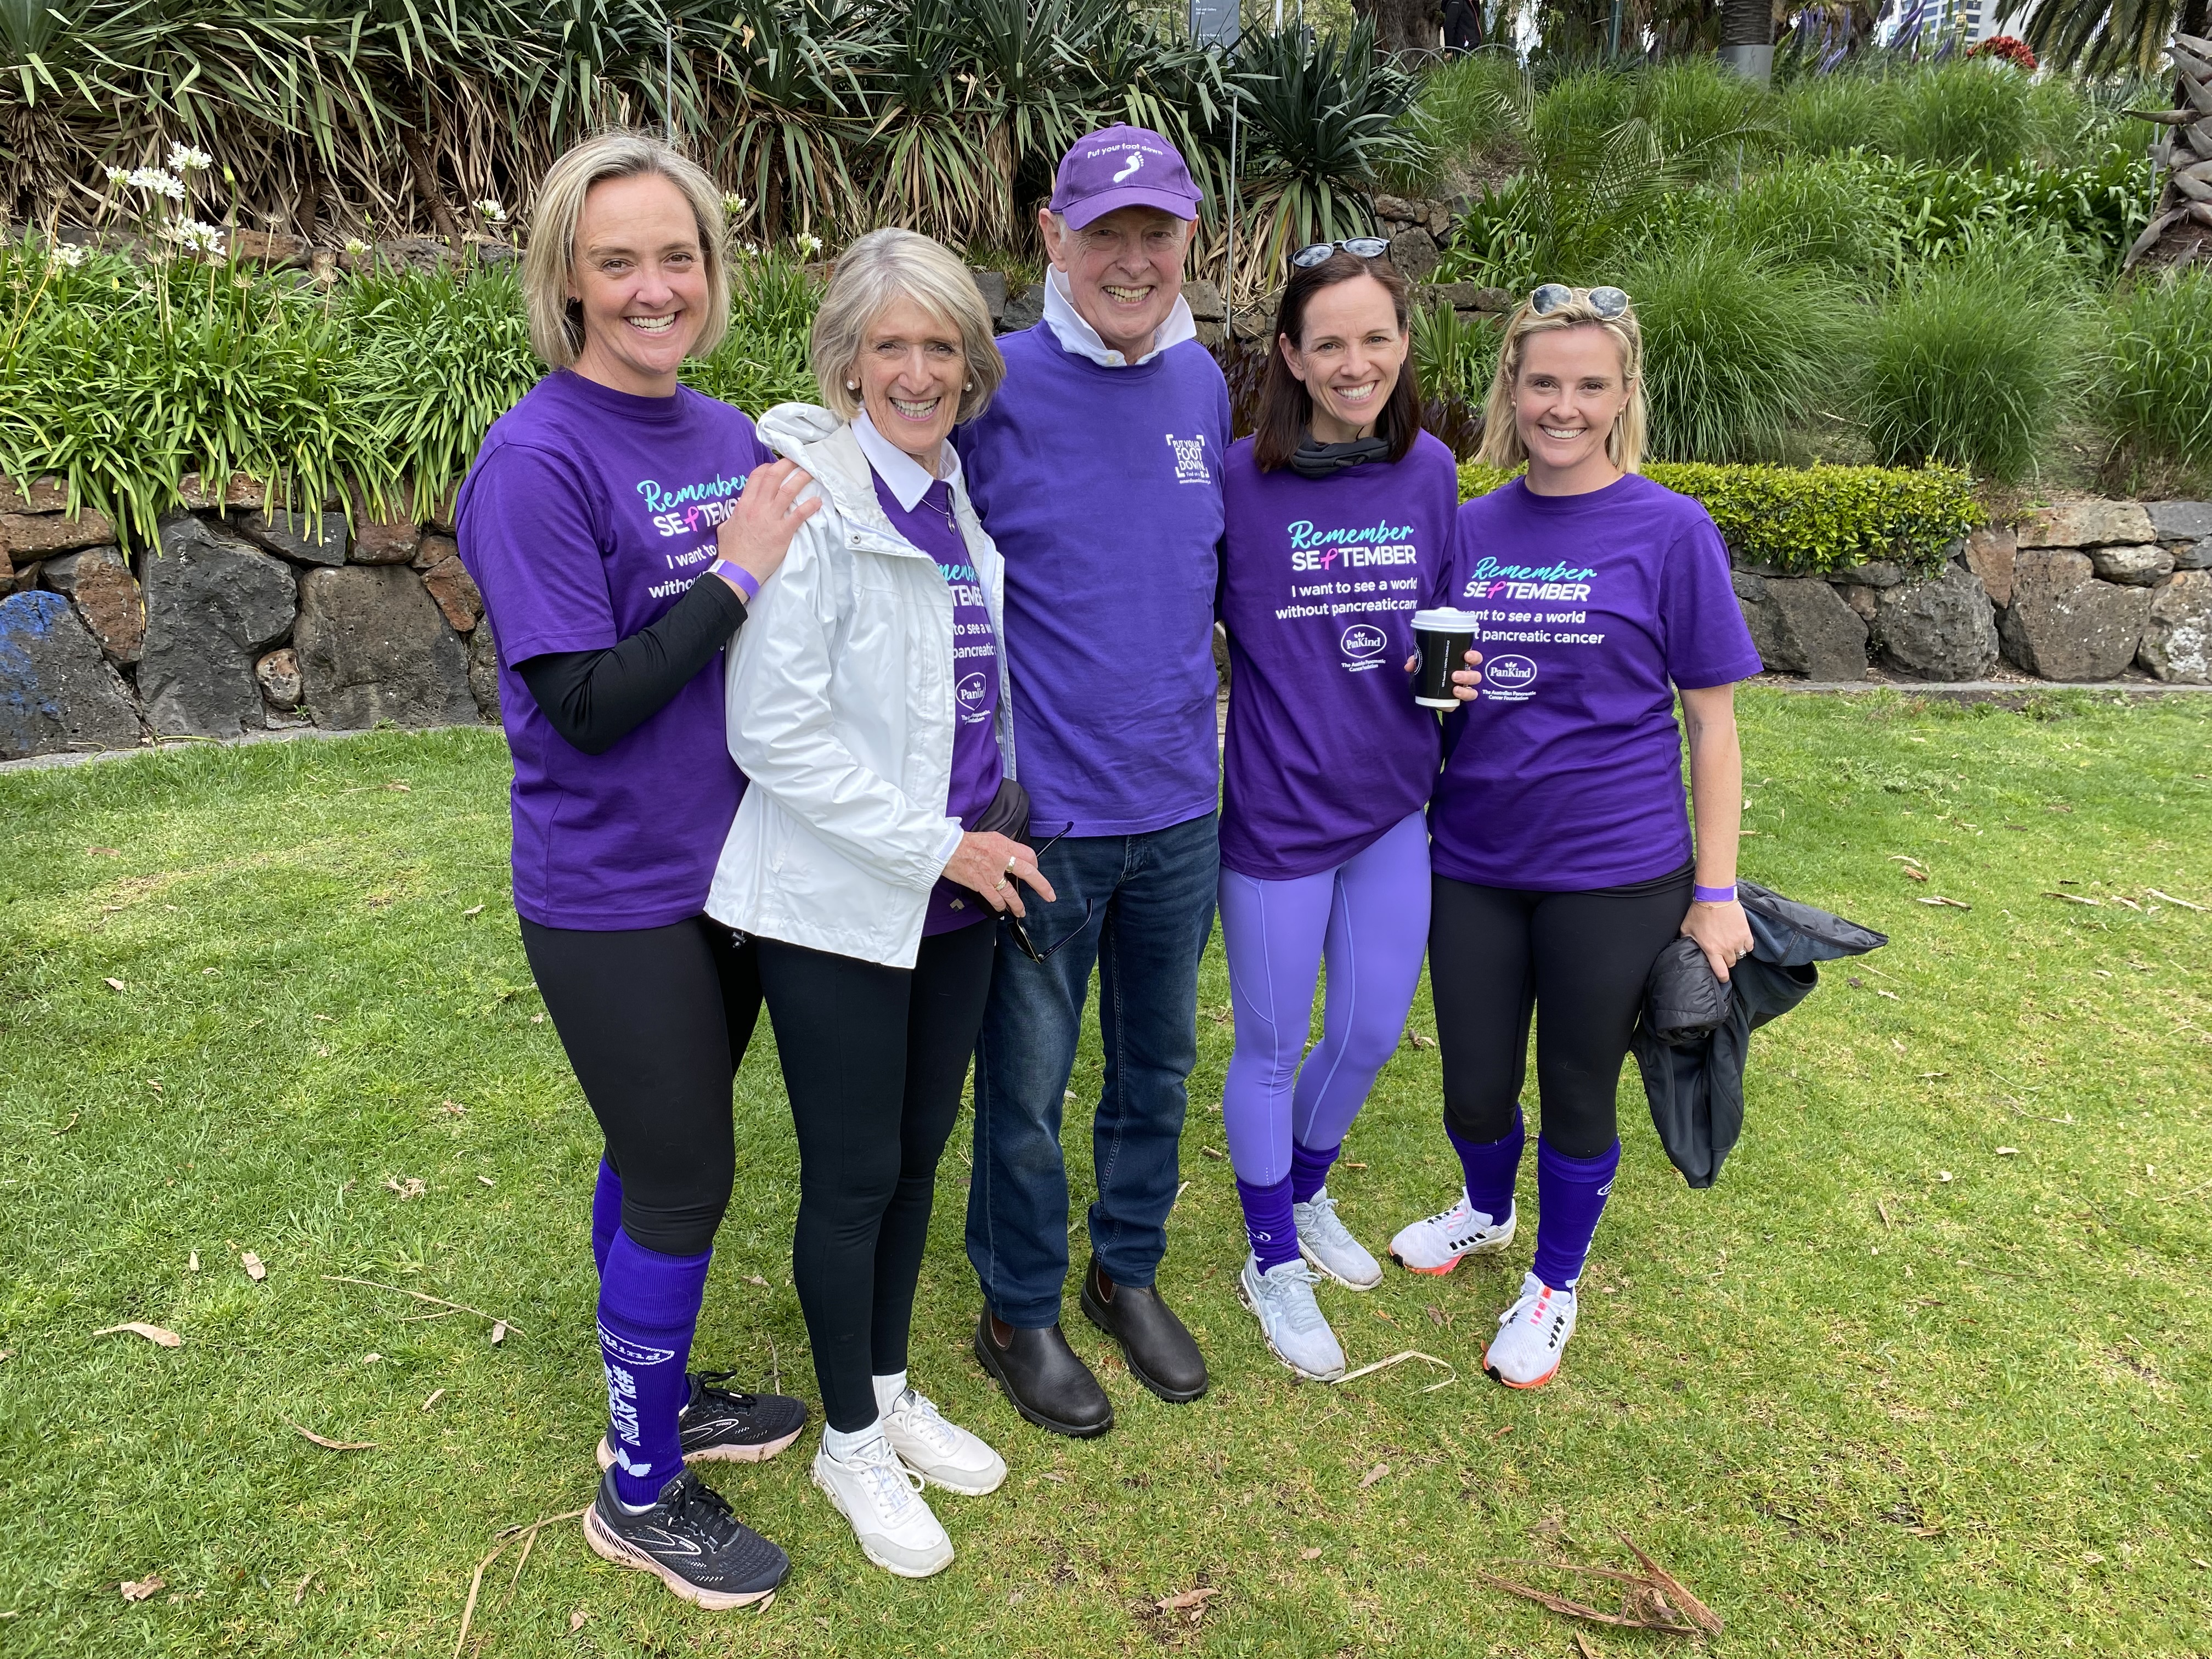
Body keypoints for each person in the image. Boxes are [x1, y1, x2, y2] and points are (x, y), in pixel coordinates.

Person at [456, 133, 823, 1609]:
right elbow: (588, 704)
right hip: (610, 885)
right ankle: (636, 1491)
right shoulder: (535, 457)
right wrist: (737, 571)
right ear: (566, 281)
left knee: (655, 1144)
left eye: (677, 257)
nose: (653, 286)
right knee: (685, 1175)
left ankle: (660, 1401)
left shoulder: (731, 430)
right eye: (618, 261)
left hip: (732, 869)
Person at [708, 228, 1042, 1578]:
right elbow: (768, 730)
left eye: (941, 345)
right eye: (889, 345)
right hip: (843, 902)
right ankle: (848, 1439)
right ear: (846, 362)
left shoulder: (950, 493)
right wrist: (939, 845)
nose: (917, 370)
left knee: (915, 1161)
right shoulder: (816, 499)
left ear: (972, 363)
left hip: (957, 891)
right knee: (851, 1180)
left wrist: (988, 830)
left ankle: (890, 1391)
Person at [1388, 284, 1762, 1390]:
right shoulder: (1471, 525)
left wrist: (1719, 890)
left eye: (1587, 385)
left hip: (1615, 868)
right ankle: (1486, 1210)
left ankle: (1553, 1283)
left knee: (1581, 1087)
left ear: (1620, 397)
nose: (1562, 404)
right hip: (1476, 859)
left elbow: (1714, 724)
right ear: (1513, 387)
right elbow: (1440, 693)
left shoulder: (1671, 530)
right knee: (1472, 1085)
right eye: (1542, 381)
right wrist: (1432, 689)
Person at [956, 125, 1228, 1437]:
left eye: (1156, 235)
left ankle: (1127, 1272)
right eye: (1103, 233)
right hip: (1044, 818)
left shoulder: (1205, 388)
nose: (1132, 260)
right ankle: (1017, 1307)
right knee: (1025, 1088)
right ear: (1051, 239)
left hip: (1180, 805)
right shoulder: (989, 384)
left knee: (1157, 1069)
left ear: (1189, 245)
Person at [1215, 244, 1462, 1381]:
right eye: (1330, 343)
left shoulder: (1431, 476)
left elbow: (1443, 621)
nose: (1355, 362)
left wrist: (1446, 676)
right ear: (1291, 359)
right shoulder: (1236, 482)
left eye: (1376, 338)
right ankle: (1269, 1259)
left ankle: (1306, 1197)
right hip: (1277, 817)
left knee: (1365, 1034)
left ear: (1403, 347)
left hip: (1390, 808)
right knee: (1270, 1046)